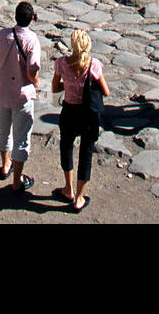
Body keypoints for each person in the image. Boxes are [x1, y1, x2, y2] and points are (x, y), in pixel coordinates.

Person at [52, 28, 110, 211]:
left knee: (66, 148)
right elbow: (106, 91)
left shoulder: (61, 63)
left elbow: (54, 88)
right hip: (88, 114)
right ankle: (79, 197)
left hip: (69, 111)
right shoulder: (94, 65)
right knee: (86, 153)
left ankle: (68, 188)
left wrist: (69, 84)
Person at [0, 1, 40, 194]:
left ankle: (5, 165)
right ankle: (17, 181)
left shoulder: (2, 34)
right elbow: (31, 71)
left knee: (4, 130)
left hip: (3, 91)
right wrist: (36, 82)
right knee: (22, 137)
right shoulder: (31, 40)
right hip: (22, 95)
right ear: (32, 18)